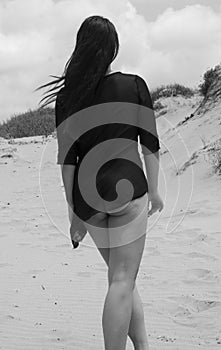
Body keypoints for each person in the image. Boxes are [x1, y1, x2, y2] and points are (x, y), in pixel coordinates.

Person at [37, 15, 164, 350]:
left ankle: (143, 346)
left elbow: (68, 159)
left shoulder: (67, 98)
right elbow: (149, 144)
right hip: (128, 189)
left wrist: (74, 213)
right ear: (112, 50)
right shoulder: (134, 85)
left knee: (121, 278)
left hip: (88, 198)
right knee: (122, 279)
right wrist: (157, 192)